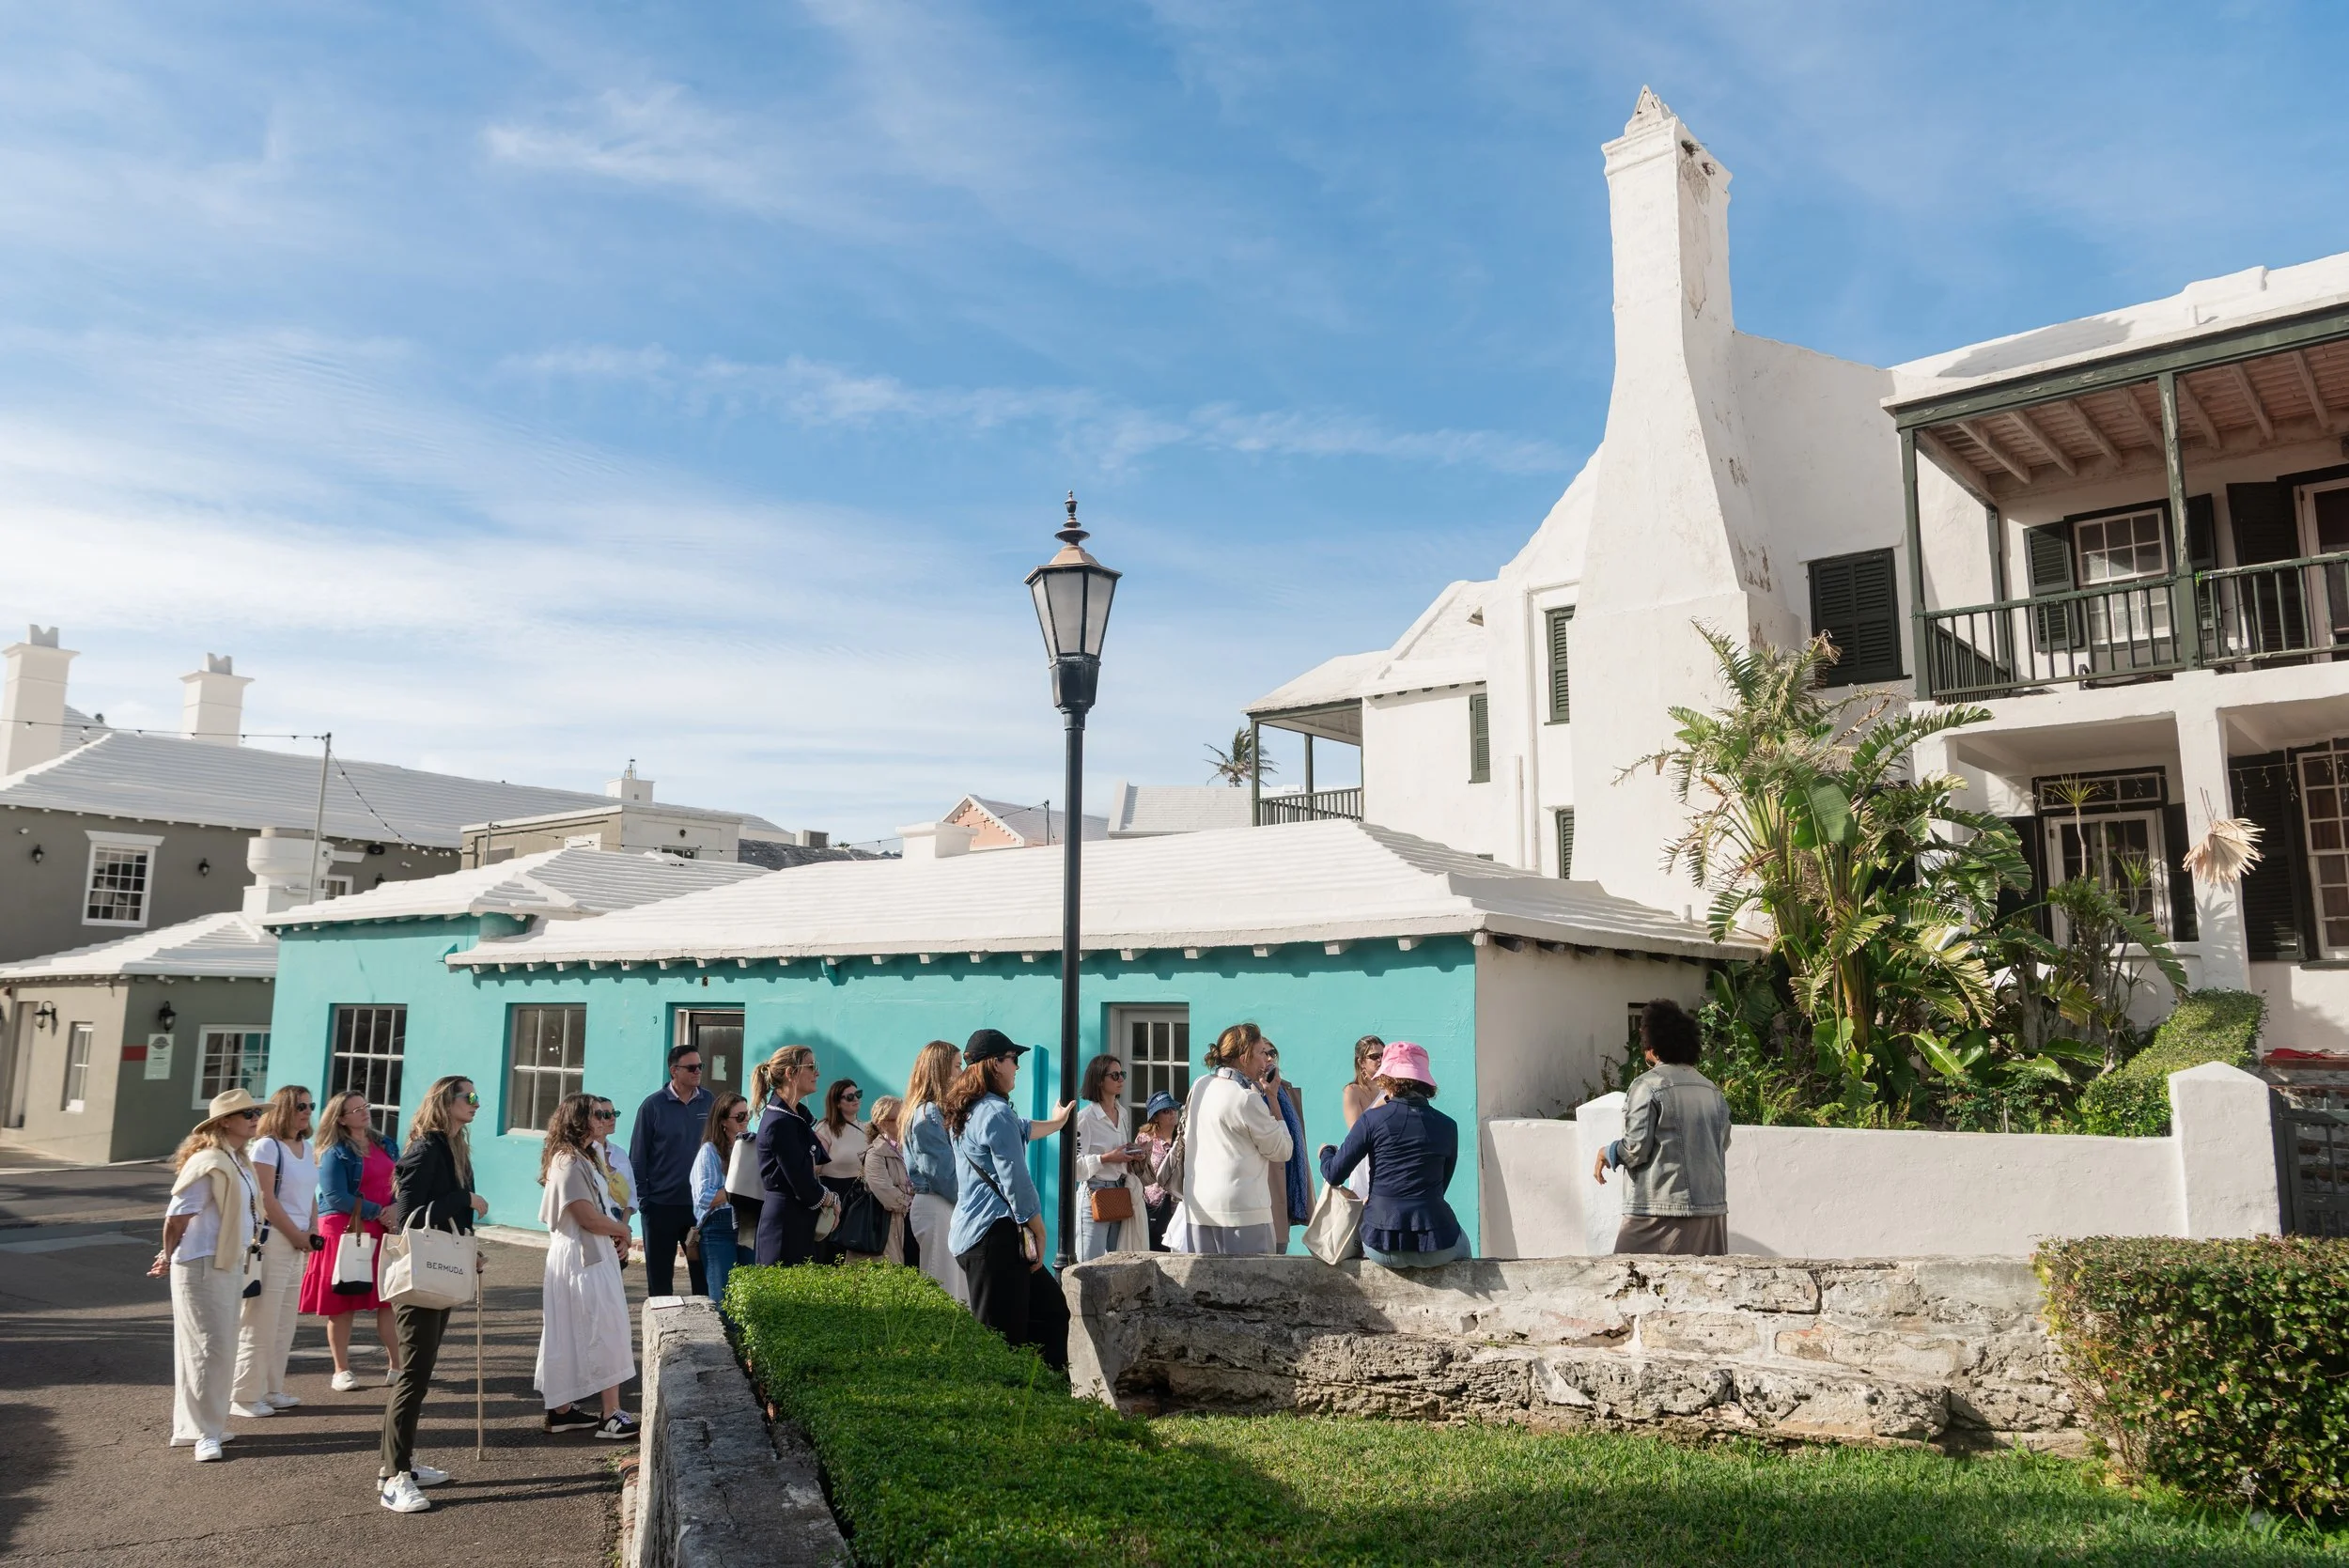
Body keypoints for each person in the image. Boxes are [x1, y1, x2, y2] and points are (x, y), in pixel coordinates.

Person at [377, 1076, 490, 1515]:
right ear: (446, 1101)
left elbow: (446, 1214)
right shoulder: (426, 1148)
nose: (477, 1104)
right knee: (412, 1375)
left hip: (442, 1267)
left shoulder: (454, 1148)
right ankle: (392, 1476)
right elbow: (406, 1217)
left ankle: (401, 1461)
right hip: (419, 1273)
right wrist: (464, 1197)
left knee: (420, 1374)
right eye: (471, 1098)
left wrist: (470, 1245)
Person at [944, 1029, 1073, 1370]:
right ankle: (1009, 1407)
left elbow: (1024, 1128)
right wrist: (1039, 1228)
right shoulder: (995, 1113)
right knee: (1001, 1340)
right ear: (994, 1064)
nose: (1017, 1067)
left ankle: (1043, 1400)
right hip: (993, 1238)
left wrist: (1058, 1123)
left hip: (982, 1236)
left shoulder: (976, 1109)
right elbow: (1015, 1178)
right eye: (1013, 1059)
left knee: (1050, 1313)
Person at [150, 1089, 267, 1462]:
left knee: (211, 1348)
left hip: (224, 1261)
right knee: (209, 1350)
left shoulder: (235, 1159)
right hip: (201, 1263)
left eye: (254, 1112)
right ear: (224, 1123)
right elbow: (177, 1216)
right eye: (245, 1113)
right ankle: (204, 1432)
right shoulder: (208, 1162)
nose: (253, 1118)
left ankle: (194, 1427)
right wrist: (167, 1256)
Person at [536, 1093, 640, 1441]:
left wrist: (617, 1232)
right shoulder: (568, 1161)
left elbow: (601, 1211)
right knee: (603, 1327)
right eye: (597, 1114)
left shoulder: (584, 1157)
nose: (605, 1118)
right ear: (579, 1119)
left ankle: (561, 1410)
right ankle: (610, 1414)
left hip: (588, 1253)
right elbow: (586, 1217)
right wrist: (622, 1230)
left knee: (574, 1329)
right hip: (581, 1258)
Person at [1593, 998, 1733, 1256]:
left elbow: (1635, 1149)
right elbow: (1722, 1143)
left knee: (1626, 1283)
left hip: (1659, 1211)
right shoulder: (1711, 1090)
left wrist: (1608, 1152)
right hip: (1711, 1211)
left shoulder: (1648, 1085)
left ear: (1652, 1046)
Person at [1318, 1041, 1467, 1267]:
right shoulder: (1448, 1126)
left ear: (1387, 1078)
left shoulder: (1372, 1120)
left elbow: (1334, 1174)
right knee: (1464, 1245)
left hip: (1381, 1244)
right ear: (1425, 1082)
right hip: (1437, 1244)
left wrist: (1326, 1152)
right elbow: (1441, 1186)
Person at [303, 1090, 402, 1391]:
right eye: (355, 1109)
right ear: (341, 1119)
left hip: (383, 1227)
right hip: (346, 1229)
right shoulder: (335, 1152)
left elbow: (400, 1180)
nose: (364, 1112)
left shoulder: (385, 1143)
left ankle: (398, 1368)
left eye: (365, 1106)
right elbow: (334, 1196)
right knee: (342, 1303)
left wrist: (396, 1207)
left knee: (388, 1299)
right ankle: (341, 1370)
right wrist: (378, 1211)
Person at [232, 1085, 319, 1417]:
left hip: (298, 1240)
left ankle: (271, 1389)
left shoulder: (305, 1146)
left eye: (311, 1105)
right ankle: (243, 1395)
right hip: (274, 1241)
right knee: (260, 1321)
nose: (307, 1110)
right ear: (284, 1108)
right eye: (301, 1105)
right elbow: (266, 1199)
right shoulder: (267, 1147)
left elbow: (311, 1193)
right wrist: (296, 1234)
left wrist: (311, 1230)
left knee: (284, 1322)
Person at [1176, 1023, 1293, 1256]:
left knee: (1204, 1289)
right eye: (1261, 1053)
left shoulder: (1200, 1086)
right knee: (1254, 1288)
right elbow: (1282, 1150)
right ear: (1244, 1058)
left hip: (1200, 1208)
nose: (1266, 1061)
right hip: (1244, 1212)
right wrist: (1273, 1099)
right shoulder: (1247, 1098)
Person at [628, 1047, 710, 1298]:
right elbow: (638, 1158)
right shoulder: (653, 1106)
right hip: (660, 1205)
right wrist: (645, 1201)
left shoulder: (709, 1101)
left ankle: (707, 1333)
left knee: (703, 1275)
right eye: (691, 1067)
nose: (698, 1072)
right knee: (661, 1280)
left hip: (699, 1206)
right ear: (674, 1071)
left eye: (700, 1066)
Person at [898, 1040, 967, 1304]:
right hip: (938, 1204)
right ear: (941, 1070)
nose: (961, 1073)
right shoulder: (927, 1116)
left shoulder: (934, 1112)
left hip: (945, 1205)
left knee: (958, 1288)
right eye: (957, 1066)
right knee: (946, 1290)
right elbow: (943, 1176)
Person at [753, 1046, 829, 1266]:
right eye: (811, 1066)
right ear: (790, 1073)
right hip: (784, 1228)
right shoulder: (780, 1122)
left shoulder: (794, 1116)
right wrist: (830, 1199)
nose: (817, 1073)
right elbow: (802, 1184)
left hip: (796, 1221)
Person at [1072, 1055, 1149, 1261]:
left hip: (1119, 1192)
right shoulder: (1085, 1118)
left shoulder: (1122, 1114)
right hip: (1094, 1194)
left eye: (1122, 1074)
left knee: (1117, 1263)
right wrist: (1108, 1158)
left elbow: (1118, 1152)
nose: (1121, 1079)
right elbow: (1075, 1168)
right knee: (1088, 1264)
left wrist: (1133, 1154)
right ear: (1099, 1080)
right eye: (1115, 1075)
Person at [691, 1093, 750, 1310]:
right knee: (724, 1300)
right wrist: (737, 1186)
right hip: (719, 1226)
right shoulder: (710, 1151)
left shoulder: (749, 1147)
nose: (746, 1120)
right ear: (723, 1121)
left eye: (747, 1114)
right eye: (740, 1116)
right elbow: (704, 1197)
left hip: (747, 1223)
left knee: (749, 1297)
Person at [1260, 1042, 1312, 1254]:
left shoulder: (1285, 1090)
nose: (1270, 1058)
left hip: (1288, 1177)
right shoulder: (1251, 1092)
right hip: (1267, 1181)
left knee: (1280, 1247)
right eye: (1264, 1053)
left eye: (1273, 1053)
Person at [812, 1078, 869, 1265]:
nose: (856, 1099)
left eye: (858, 1094)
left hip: (860, 1195)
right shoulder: (825, 1128)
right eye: (849, 1096)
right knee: (831, 1251)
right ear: (837, 1102)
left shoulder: (867, 1128)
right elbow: (815, 1167)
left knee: (857, 1250)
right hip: (834, 1192)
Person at [856, 1095, 914, 1265]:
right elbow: (888, 1195)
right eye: (900, 1118)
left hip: (912, 1222)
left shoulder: (910, 1148)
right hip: (890, 1226)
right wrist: (913, 1202)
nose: (906, 1121)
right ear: (883, 1124)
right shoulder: (874, 1154)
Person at [1135, 1091, 1183, 1251]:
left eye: (1173, 1109)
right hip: (1152, 1206)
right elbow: (1137, 1172)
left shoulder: (1182, 1139)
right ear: (1155, 1117)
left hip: (1178, 1208)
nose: (1172, 1113)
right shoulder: (1145, 1139)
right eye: (1166, 1111)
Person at [1341, 1035, 1386, 1201]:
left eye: (1384, 1055)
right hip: (1364, 1157)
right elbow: (1357, 1131)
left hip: (1385, 1155)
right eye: (1374, 1056)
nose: (1380, 1060)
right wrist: (1380, 1104)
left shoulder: (1390, 1090)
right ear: (1361, 1062)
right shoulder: (1352, 1091)